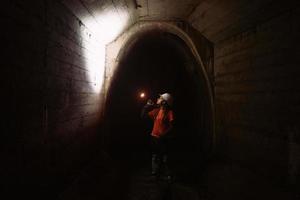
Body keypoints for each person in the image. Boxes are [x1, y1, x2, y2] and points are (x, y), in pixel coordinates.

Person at [141, 93, 174, 180]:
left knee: (165, 158)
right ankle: (155, 174)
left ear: (164, 102)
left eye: (160, 98)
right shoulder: (156, 111)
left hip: (164, 139)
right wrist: (147, 106)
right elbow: (143, 116)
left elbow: (172, 126)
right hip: (154, 137)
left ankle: (168, 175)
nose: (158, 99)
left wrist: (164, 135)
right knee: (155, 156)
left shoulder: (169, 112)